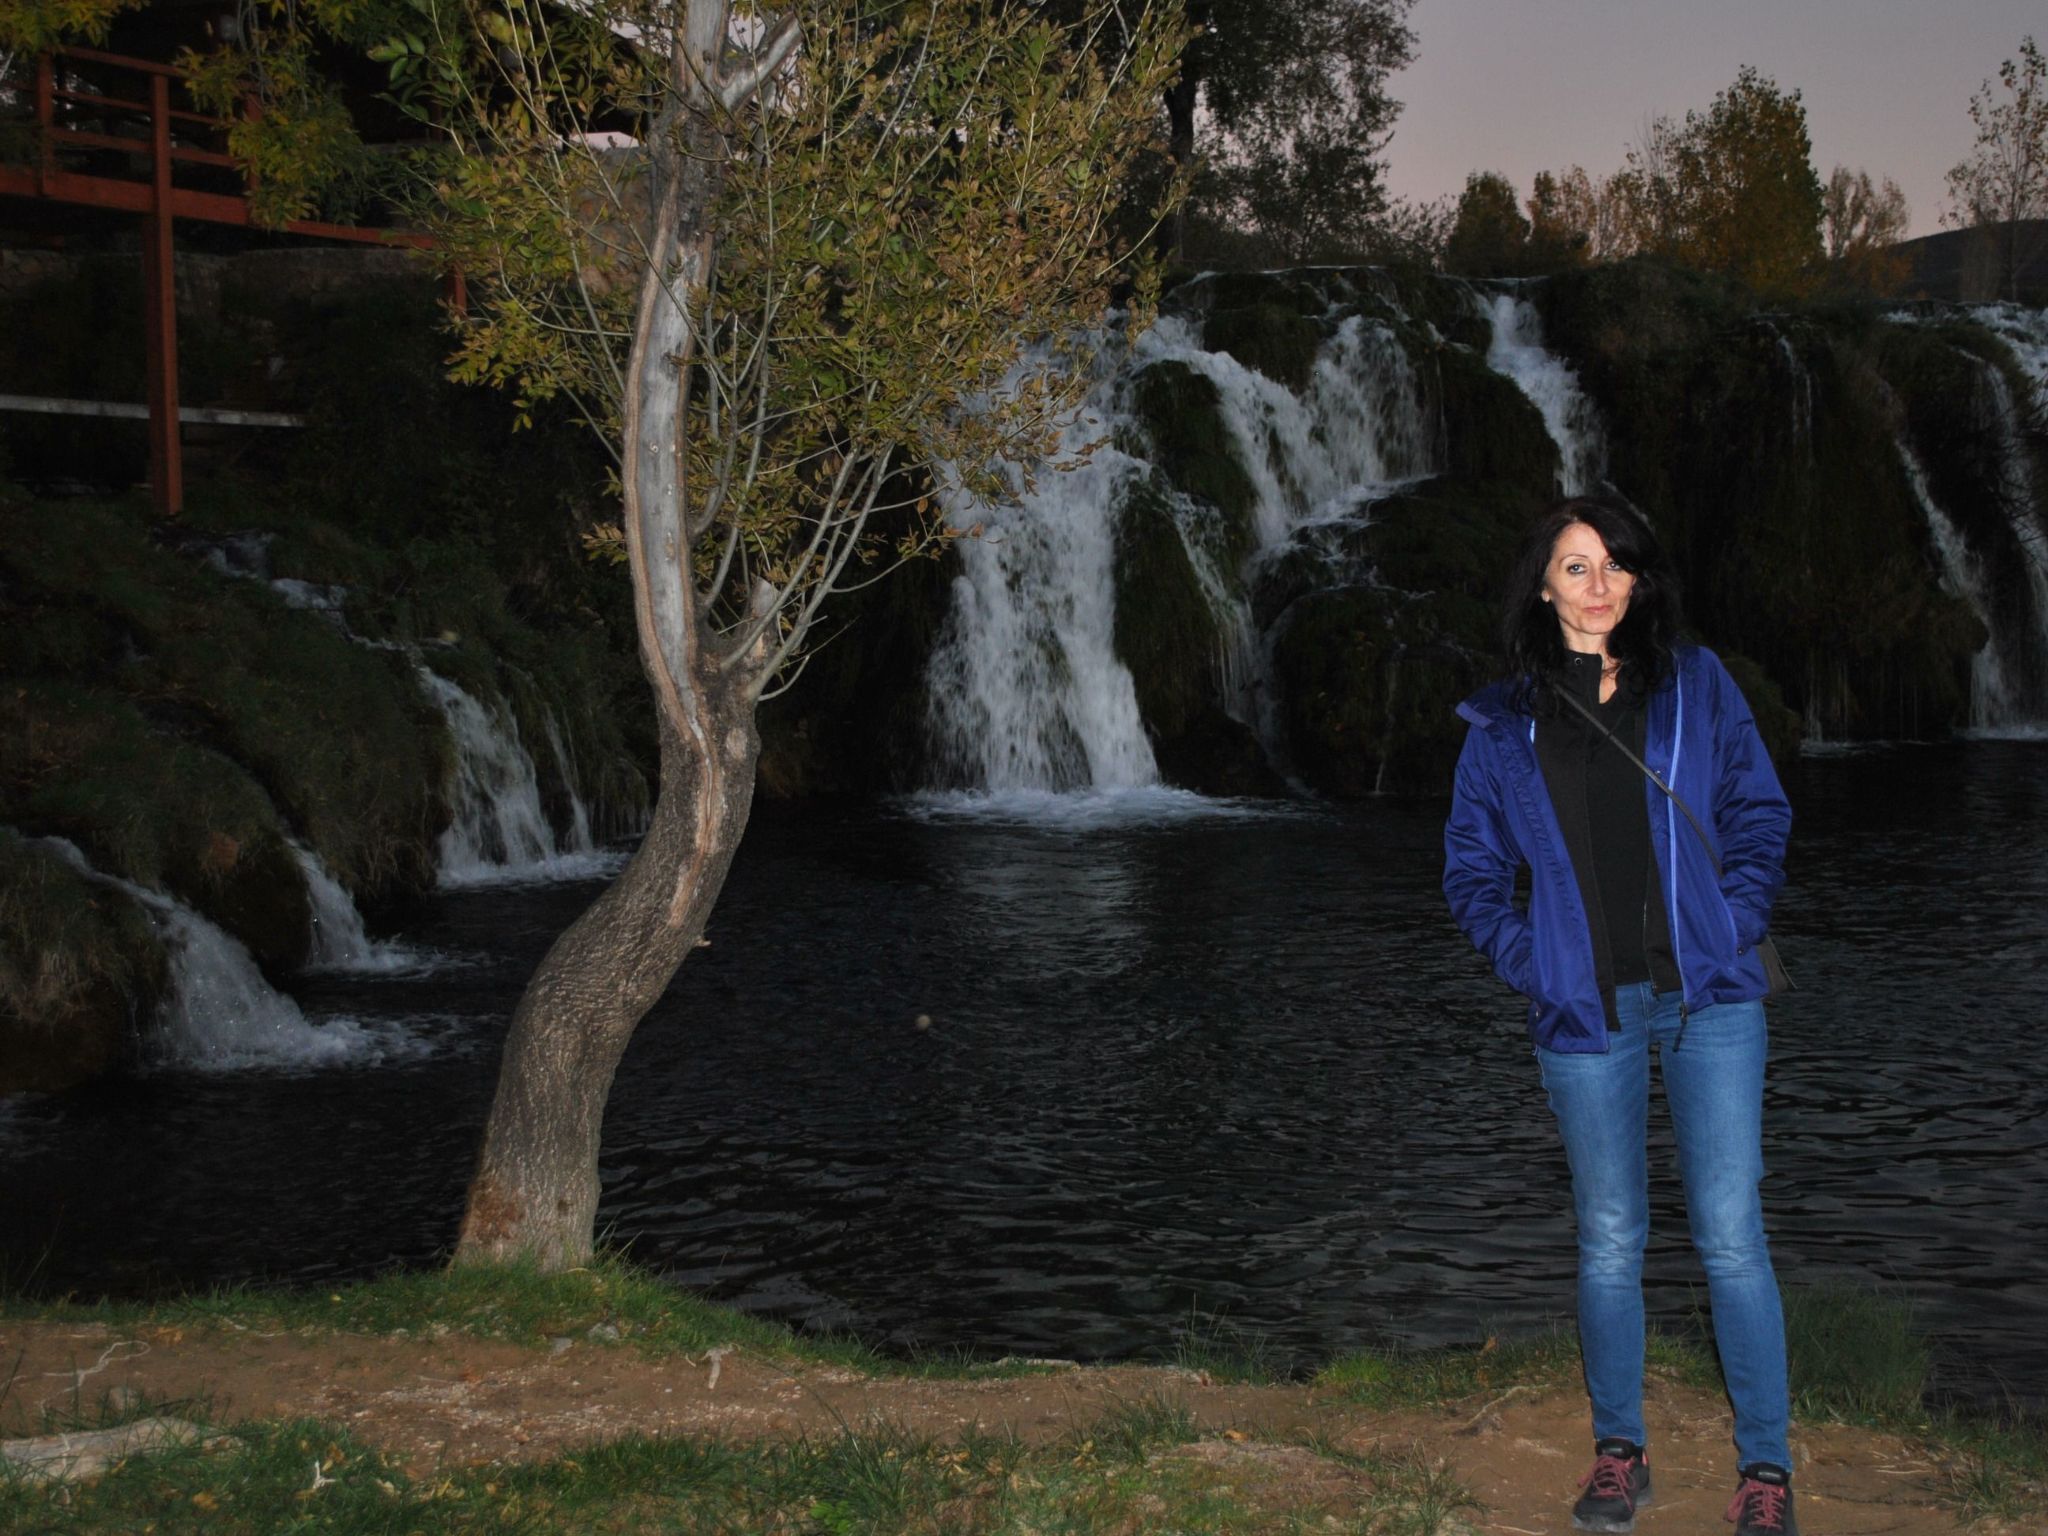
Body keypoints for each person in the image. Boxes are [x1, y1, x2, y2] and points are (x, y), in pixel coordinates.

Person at [1442, 496, 1797, 1536]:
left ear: (1636, 580)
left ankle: (1764, 1467)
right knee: (1606, 1240)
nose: (1596, 585)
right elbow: (1469, 873)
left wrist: (1730, 922)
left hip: (1710, 1000)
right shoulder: (1500, 722)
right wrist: (1531, 961)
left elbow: (1755, 811)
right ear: (1540, 586)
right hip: (1582, 1014)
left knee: (1730, 1238)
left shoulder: (1695, 685)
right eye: (1573, 566)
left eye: (1612, 566)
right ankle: (1618, 1454)